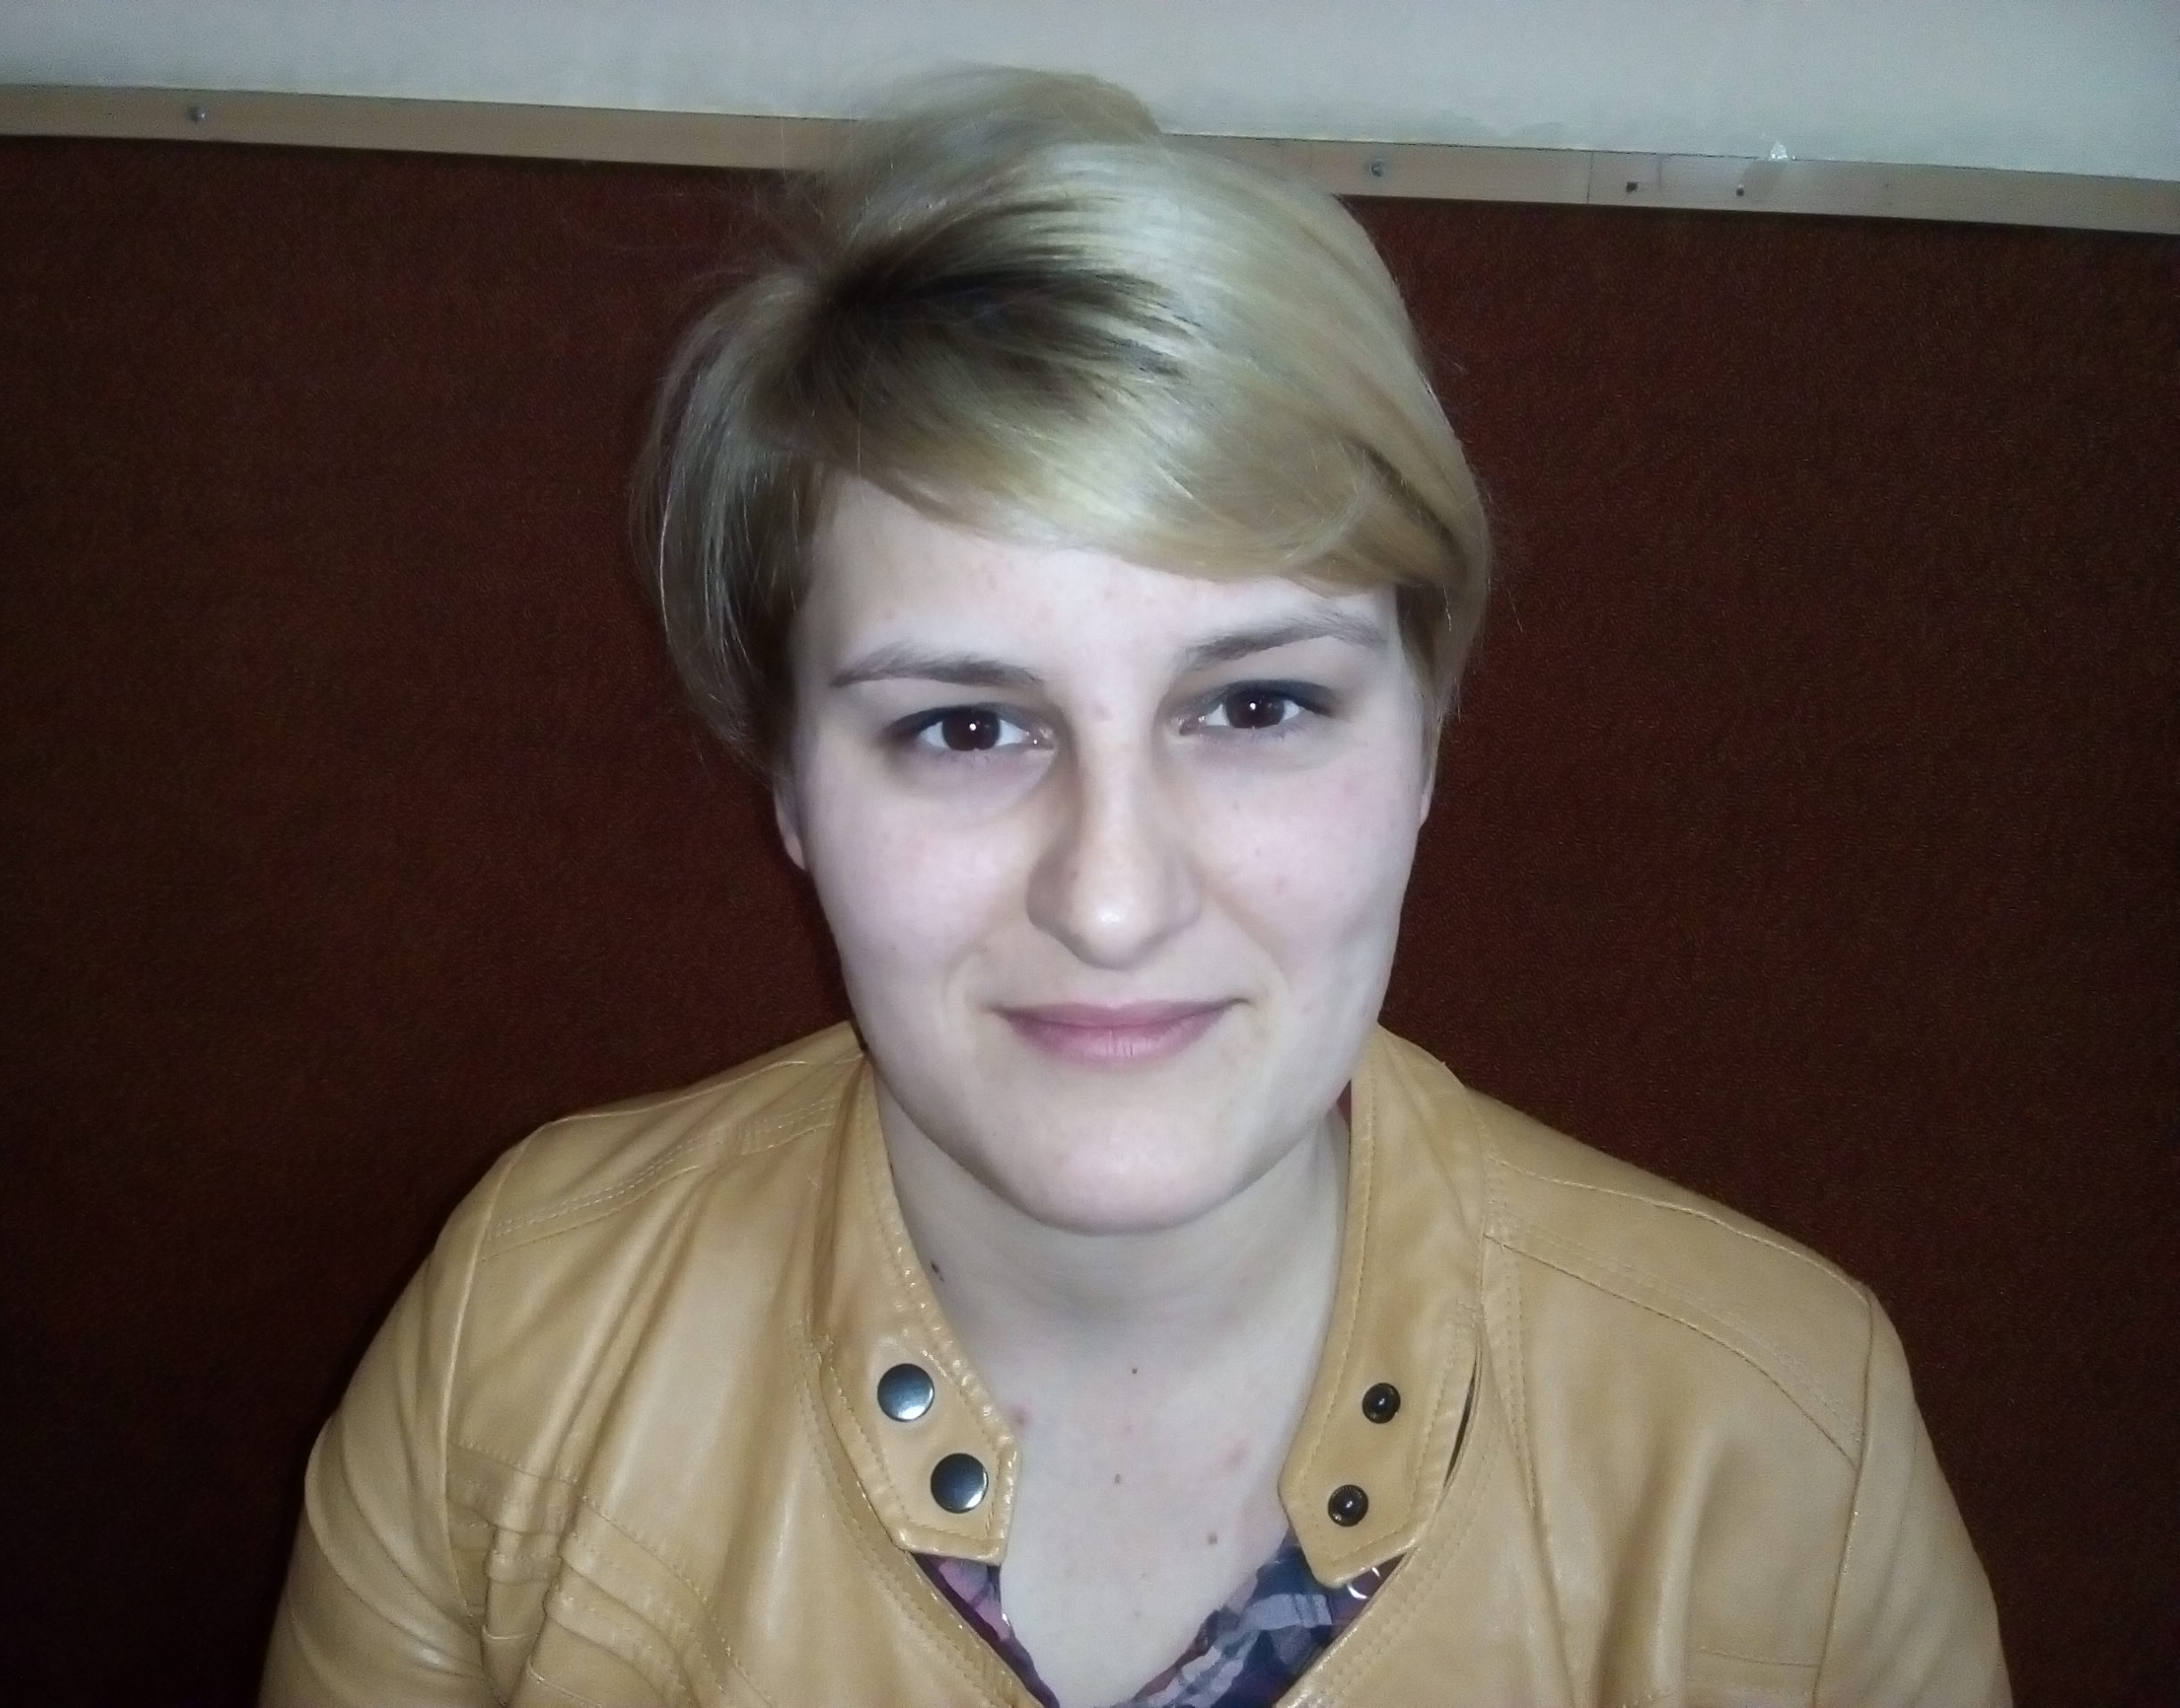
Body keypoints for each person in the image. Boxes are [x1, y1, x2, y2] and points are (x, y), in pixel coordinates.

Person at [262, 71, 2008, 1708]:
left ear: (1423, 740)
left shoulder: (1779, 1442)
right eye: (964, 726)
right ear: (790, 786)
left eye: (1254, 707)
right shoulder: (520, 1335)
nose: (1110, 902)